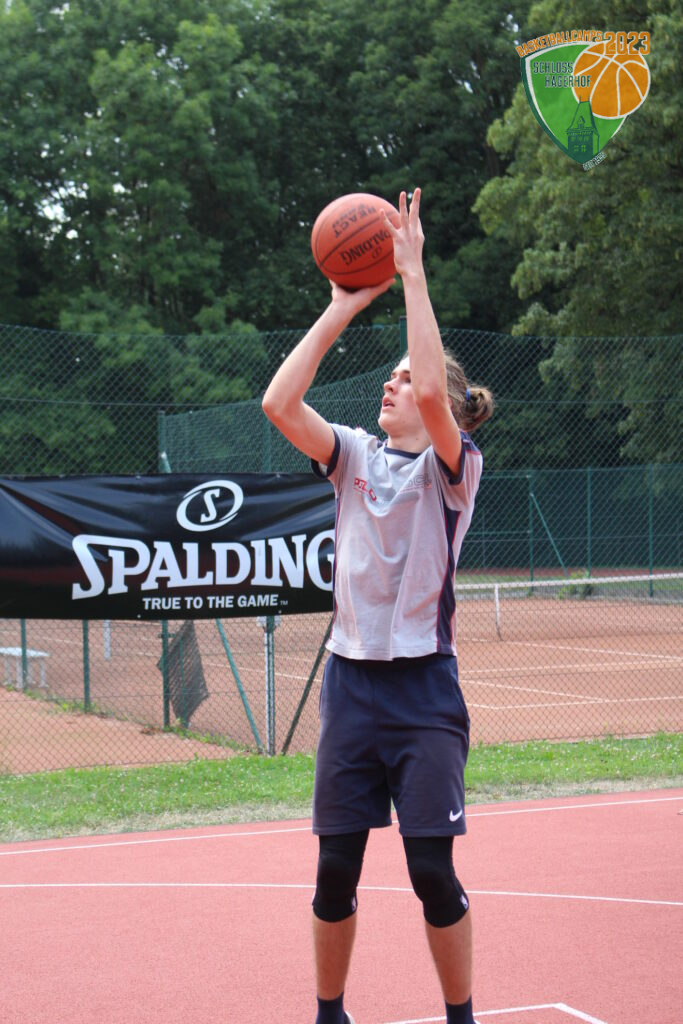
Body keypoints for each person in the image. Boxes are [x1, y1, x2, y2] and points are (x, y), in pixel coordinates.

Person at [262, 188, 493, 1024]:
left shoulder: (453, 467)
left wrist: (411, 273)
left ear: (449, 409)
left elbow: (432, 393)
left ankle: (460, 1017)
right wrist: (341, 306)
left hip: (424, 690)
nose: (391, 386)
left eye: (402, 377)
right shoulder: (353, 456)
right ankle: (330, 1014)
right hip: (352, 686)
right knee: (334, 872)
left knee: (431, 872)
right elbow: (278, 404)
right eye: (388, 378)